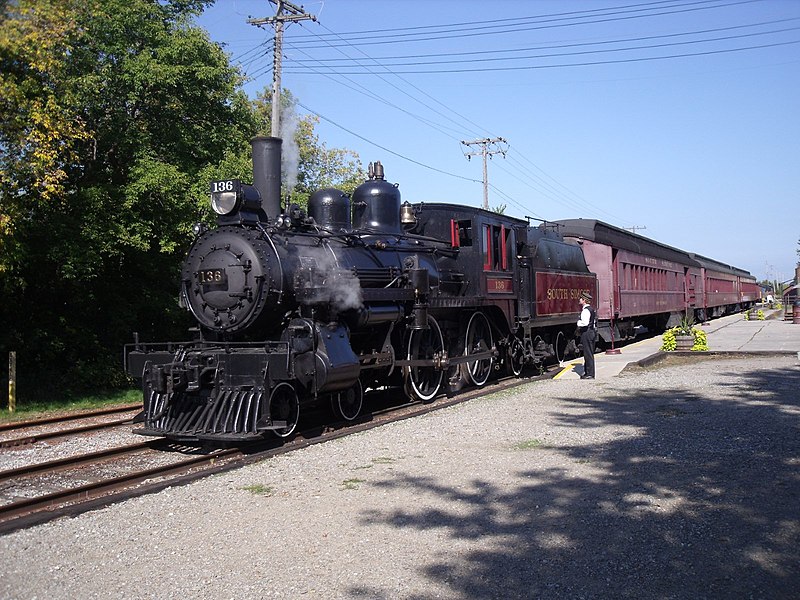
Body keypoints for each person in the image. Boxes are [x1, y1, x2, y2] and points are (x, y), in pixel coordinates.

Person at [576, 291, 597, 379]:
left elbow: (584, 323)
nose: (579, 300)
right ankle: (588, 372)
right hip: (591, 332)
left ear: (584, 300)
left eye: (580, 299)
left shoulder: (585, 310)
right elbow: (594, 322)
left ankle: (590, 374)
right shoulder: (591, 309)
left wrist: (578, 322)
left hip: (586, 333)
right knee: (589, 353)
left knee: (588, 354)